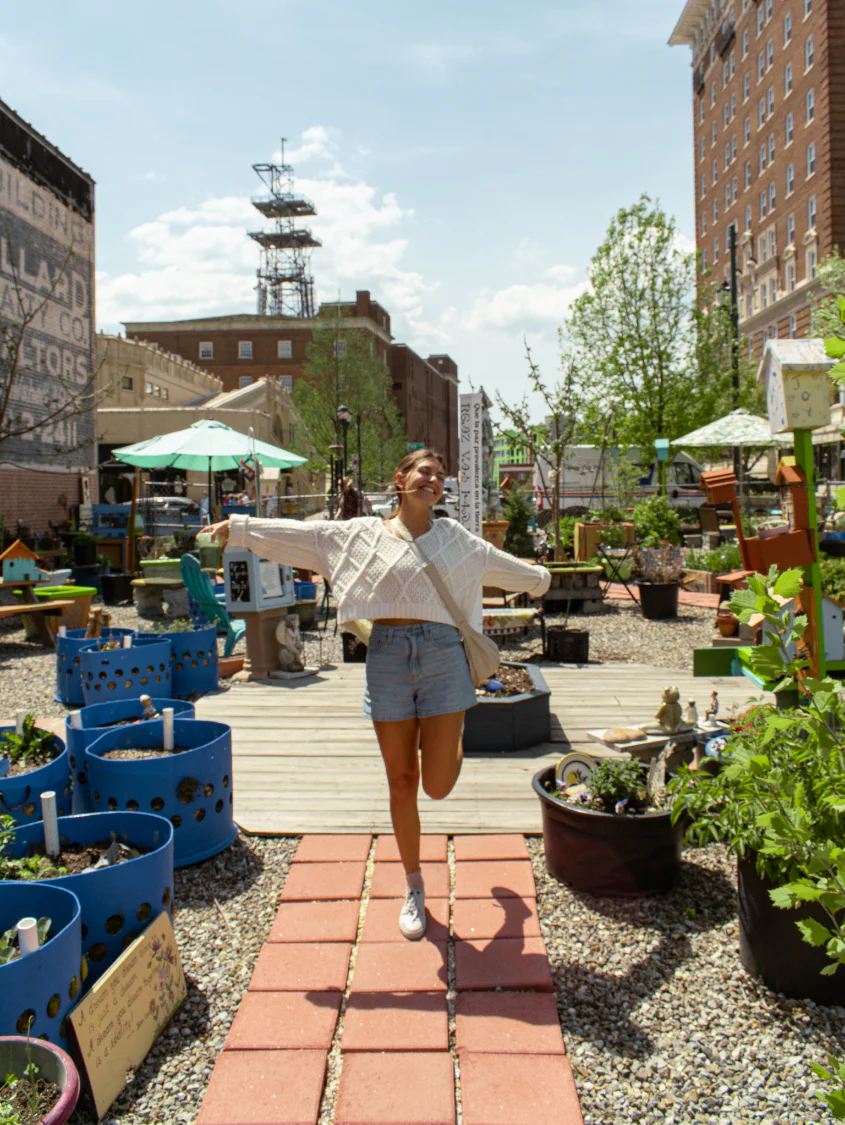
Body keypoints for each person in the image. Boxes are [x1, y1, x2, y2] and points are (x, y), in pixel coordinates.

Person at [208, 449, 550, 940]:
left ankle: (450, 738)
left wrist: (540, 579)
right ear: (400, 478)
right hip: (386, 657)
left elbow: (499, 564)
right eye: (424, 471)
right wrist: (241, 528)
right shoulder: (360, 535)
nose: (433, 480)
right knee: (401, 781)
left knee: (437, 785)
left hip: (443, 657)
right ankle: (414, 884)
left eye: (440, 475)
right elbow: (304, 538)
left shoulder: (455, 538)